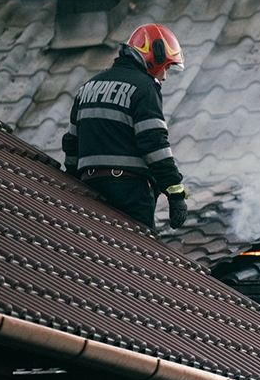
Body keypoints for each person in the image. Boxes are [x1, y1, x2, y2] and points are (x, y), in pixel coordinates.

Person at [63, 23, 188, 230]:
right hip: (129, 192)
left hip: (88, 188)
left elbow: (71, 145)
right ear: (153, 57)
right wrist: (175, 192)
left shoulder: (87, 88)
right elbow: (154, 144)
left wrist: (74, 186)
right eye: (166, 66)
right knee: (139, 256)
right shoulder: (145, 88)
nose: (164, 76)